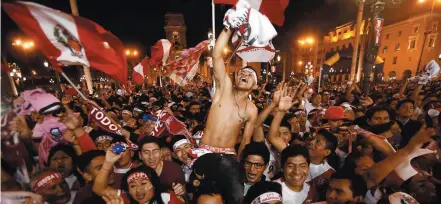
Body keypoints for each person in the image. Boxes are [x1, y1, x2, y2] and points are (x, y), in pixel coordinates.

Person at [198, 27, 258, 203]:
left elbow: (246, 140)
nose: (244, 74)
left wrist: (238, 163)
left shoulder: (251, 109)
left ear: (254, 87)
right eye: (242, 73)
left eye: (250, 75)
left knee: (237, 197)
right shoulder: (224, 88)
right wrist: (228, 28)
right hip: (205, 151)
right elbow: (217, 55)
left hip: (229, 156)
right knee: (200, 196)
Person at [92, 149, 183, 204]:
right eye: (132, 186)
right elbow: (99, 189)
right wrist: (107, 163)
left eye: (143, 183)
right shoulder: (126, 198)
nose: (138, 189)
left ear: (154, 185)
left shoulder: (166, 197)